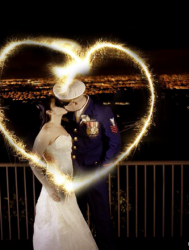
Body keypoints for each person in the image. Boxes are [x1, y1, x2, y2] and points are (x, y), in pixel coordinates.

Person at [53, 79, 121, 250]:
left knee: (101, 217)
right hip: (73, 173)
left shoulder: (102, 111)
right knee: (76, 215)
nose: (64, 106)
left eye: (67, 104)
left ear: (75, 101)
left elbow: (114, 142)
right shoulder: (67, 113)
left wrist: (103, 168)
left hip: (93, 172)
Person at [30, 97, 98, 250]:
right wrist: (47, 186)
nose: (63, 105)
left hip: (67, 186)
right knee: (59, 228)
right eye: (58, 104)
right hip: (55, 185)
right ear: (49, 111)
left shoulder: (62, 127)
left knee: (72, 226)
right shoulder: (46, 130)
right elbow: (33, 161)